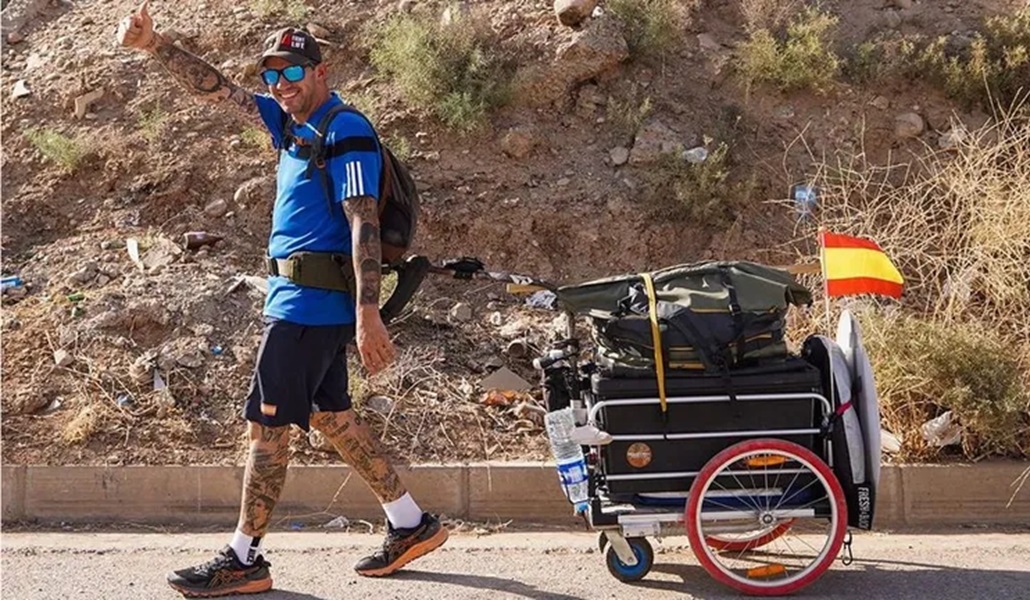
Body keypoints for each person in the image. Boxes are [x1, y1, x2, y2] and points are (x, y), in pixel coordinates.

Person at [116, 3, 447, 597]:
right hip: (298, 299)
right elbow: (220, 91)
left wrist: (368, 313)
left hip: (307, 306)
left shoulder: (345, 128)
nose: (279, 85)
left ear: (321, 71)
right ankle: (410, 522)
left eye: (292, 73)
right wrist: (155, 45)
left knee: (266, 431)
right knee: (332, 418)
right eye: (272, 76)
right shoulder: (293, 125)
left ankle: (244, 558)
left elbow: (362, 219)